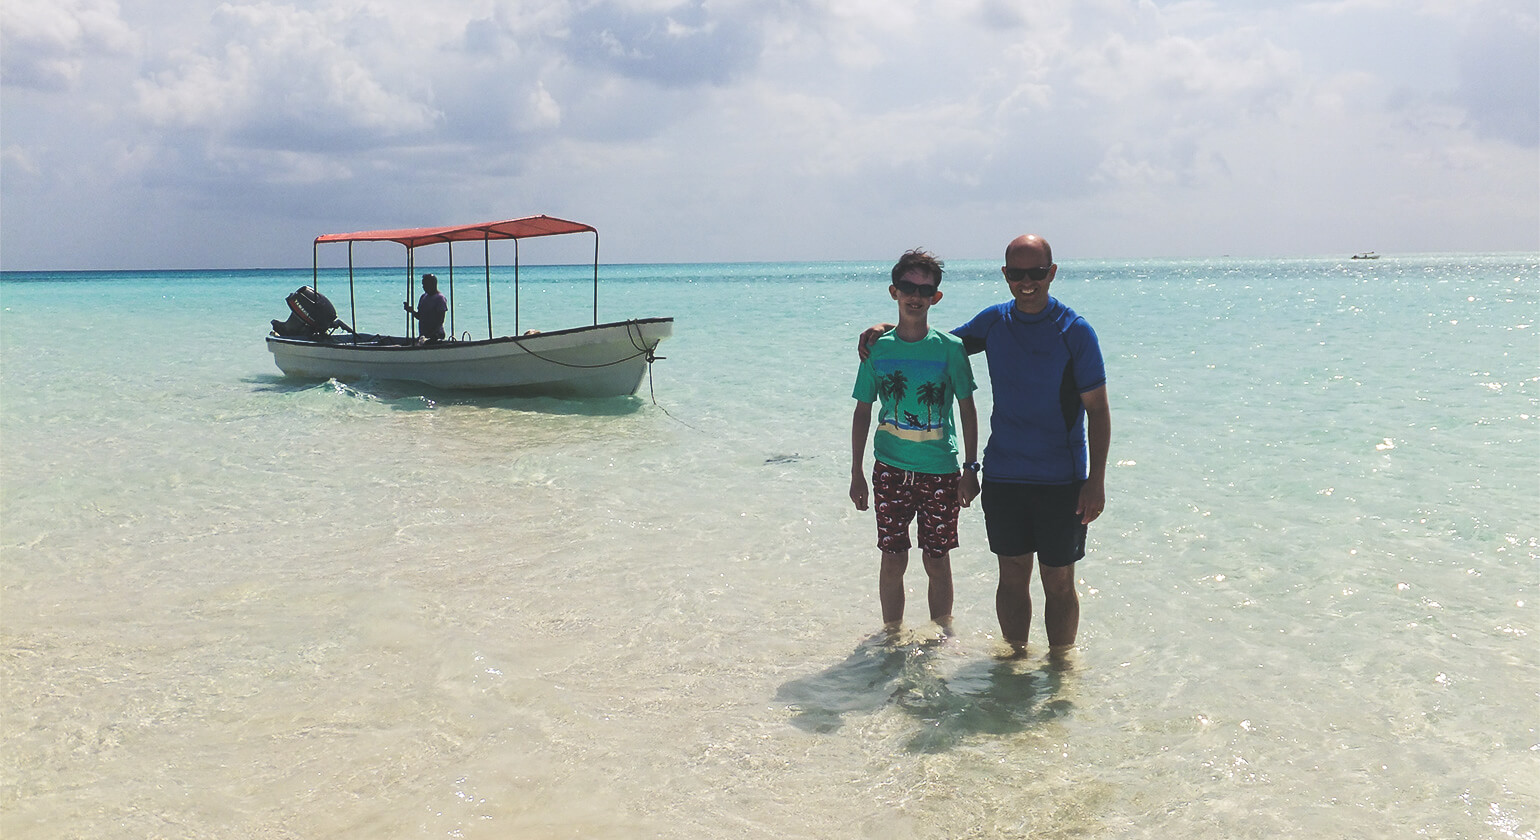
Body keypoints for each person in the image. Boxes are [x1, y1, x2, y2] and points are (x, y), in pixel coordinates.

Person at [861, 235, 1109, 654]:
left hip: (1061, 478)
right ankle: (1013, 664)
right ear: (1005, 276)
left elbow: (1099, 411)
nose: (1026, 282)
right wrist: (886, 329)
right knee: (1011, 574)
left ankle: (1061, 669)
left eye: (1035, 273)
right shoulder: (995, 322)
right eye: (1017, 274)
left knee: (1058, 579)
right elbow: (932, 345)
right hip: (1004, 475)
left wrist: (1095, 481)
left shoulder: (1075, 331)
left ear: (1051, 273)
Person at [850, 250, 980, 634]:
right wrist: (856, 472)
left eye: (925, 289)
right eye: (908, 287)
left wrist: (971, 468)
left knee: (937, 562)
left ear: (936, 298)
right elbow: (862, 412)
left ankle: (942, 638)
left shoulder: (950, 349)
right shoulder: (878, 349)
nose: (916, 295)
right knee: (892, 559)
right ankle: (892, 639)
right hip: (889, 469)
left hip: (940, 471)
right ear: (894, 291)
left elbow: (969, 411)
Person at [404, 273, 448, 342]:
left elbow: (440, 320)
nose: (423, 287)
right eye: (423, 284)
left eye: (425, 284)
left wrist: (432, 335)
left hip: (436, 335)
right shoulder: (423, 297)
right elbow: (420, 316)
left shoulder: (440, 298)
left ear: (433, 284)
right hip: (424, 335)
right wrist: (411, 311)